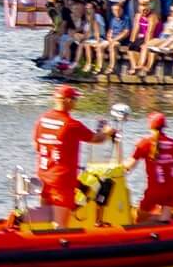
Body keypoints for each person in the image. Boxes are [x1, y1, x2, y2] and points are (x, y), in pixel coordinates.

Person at [31, 85, 113, 225]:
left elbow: (36, 145)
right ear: (68, 101)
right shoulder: (71, 124)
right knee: (60, 224)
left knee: (45, 219)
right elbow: (97, 139)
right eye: (75, 99)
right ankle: (23, 218)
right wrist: (108, 132)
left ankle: (23, 218)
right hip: (62, 180)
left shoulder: (42, 120)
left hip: (44, 176)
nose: (76, 102)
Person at [125, 112, 173, 223]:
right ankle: (165, 219)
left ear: (149, 125)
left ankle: (163, 219)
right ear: (164, 126)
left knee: (138, 220)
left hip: (155, 192)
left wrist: (119, 165)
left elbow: (129, 166)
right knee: (164, 219)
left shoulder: (145, 143)